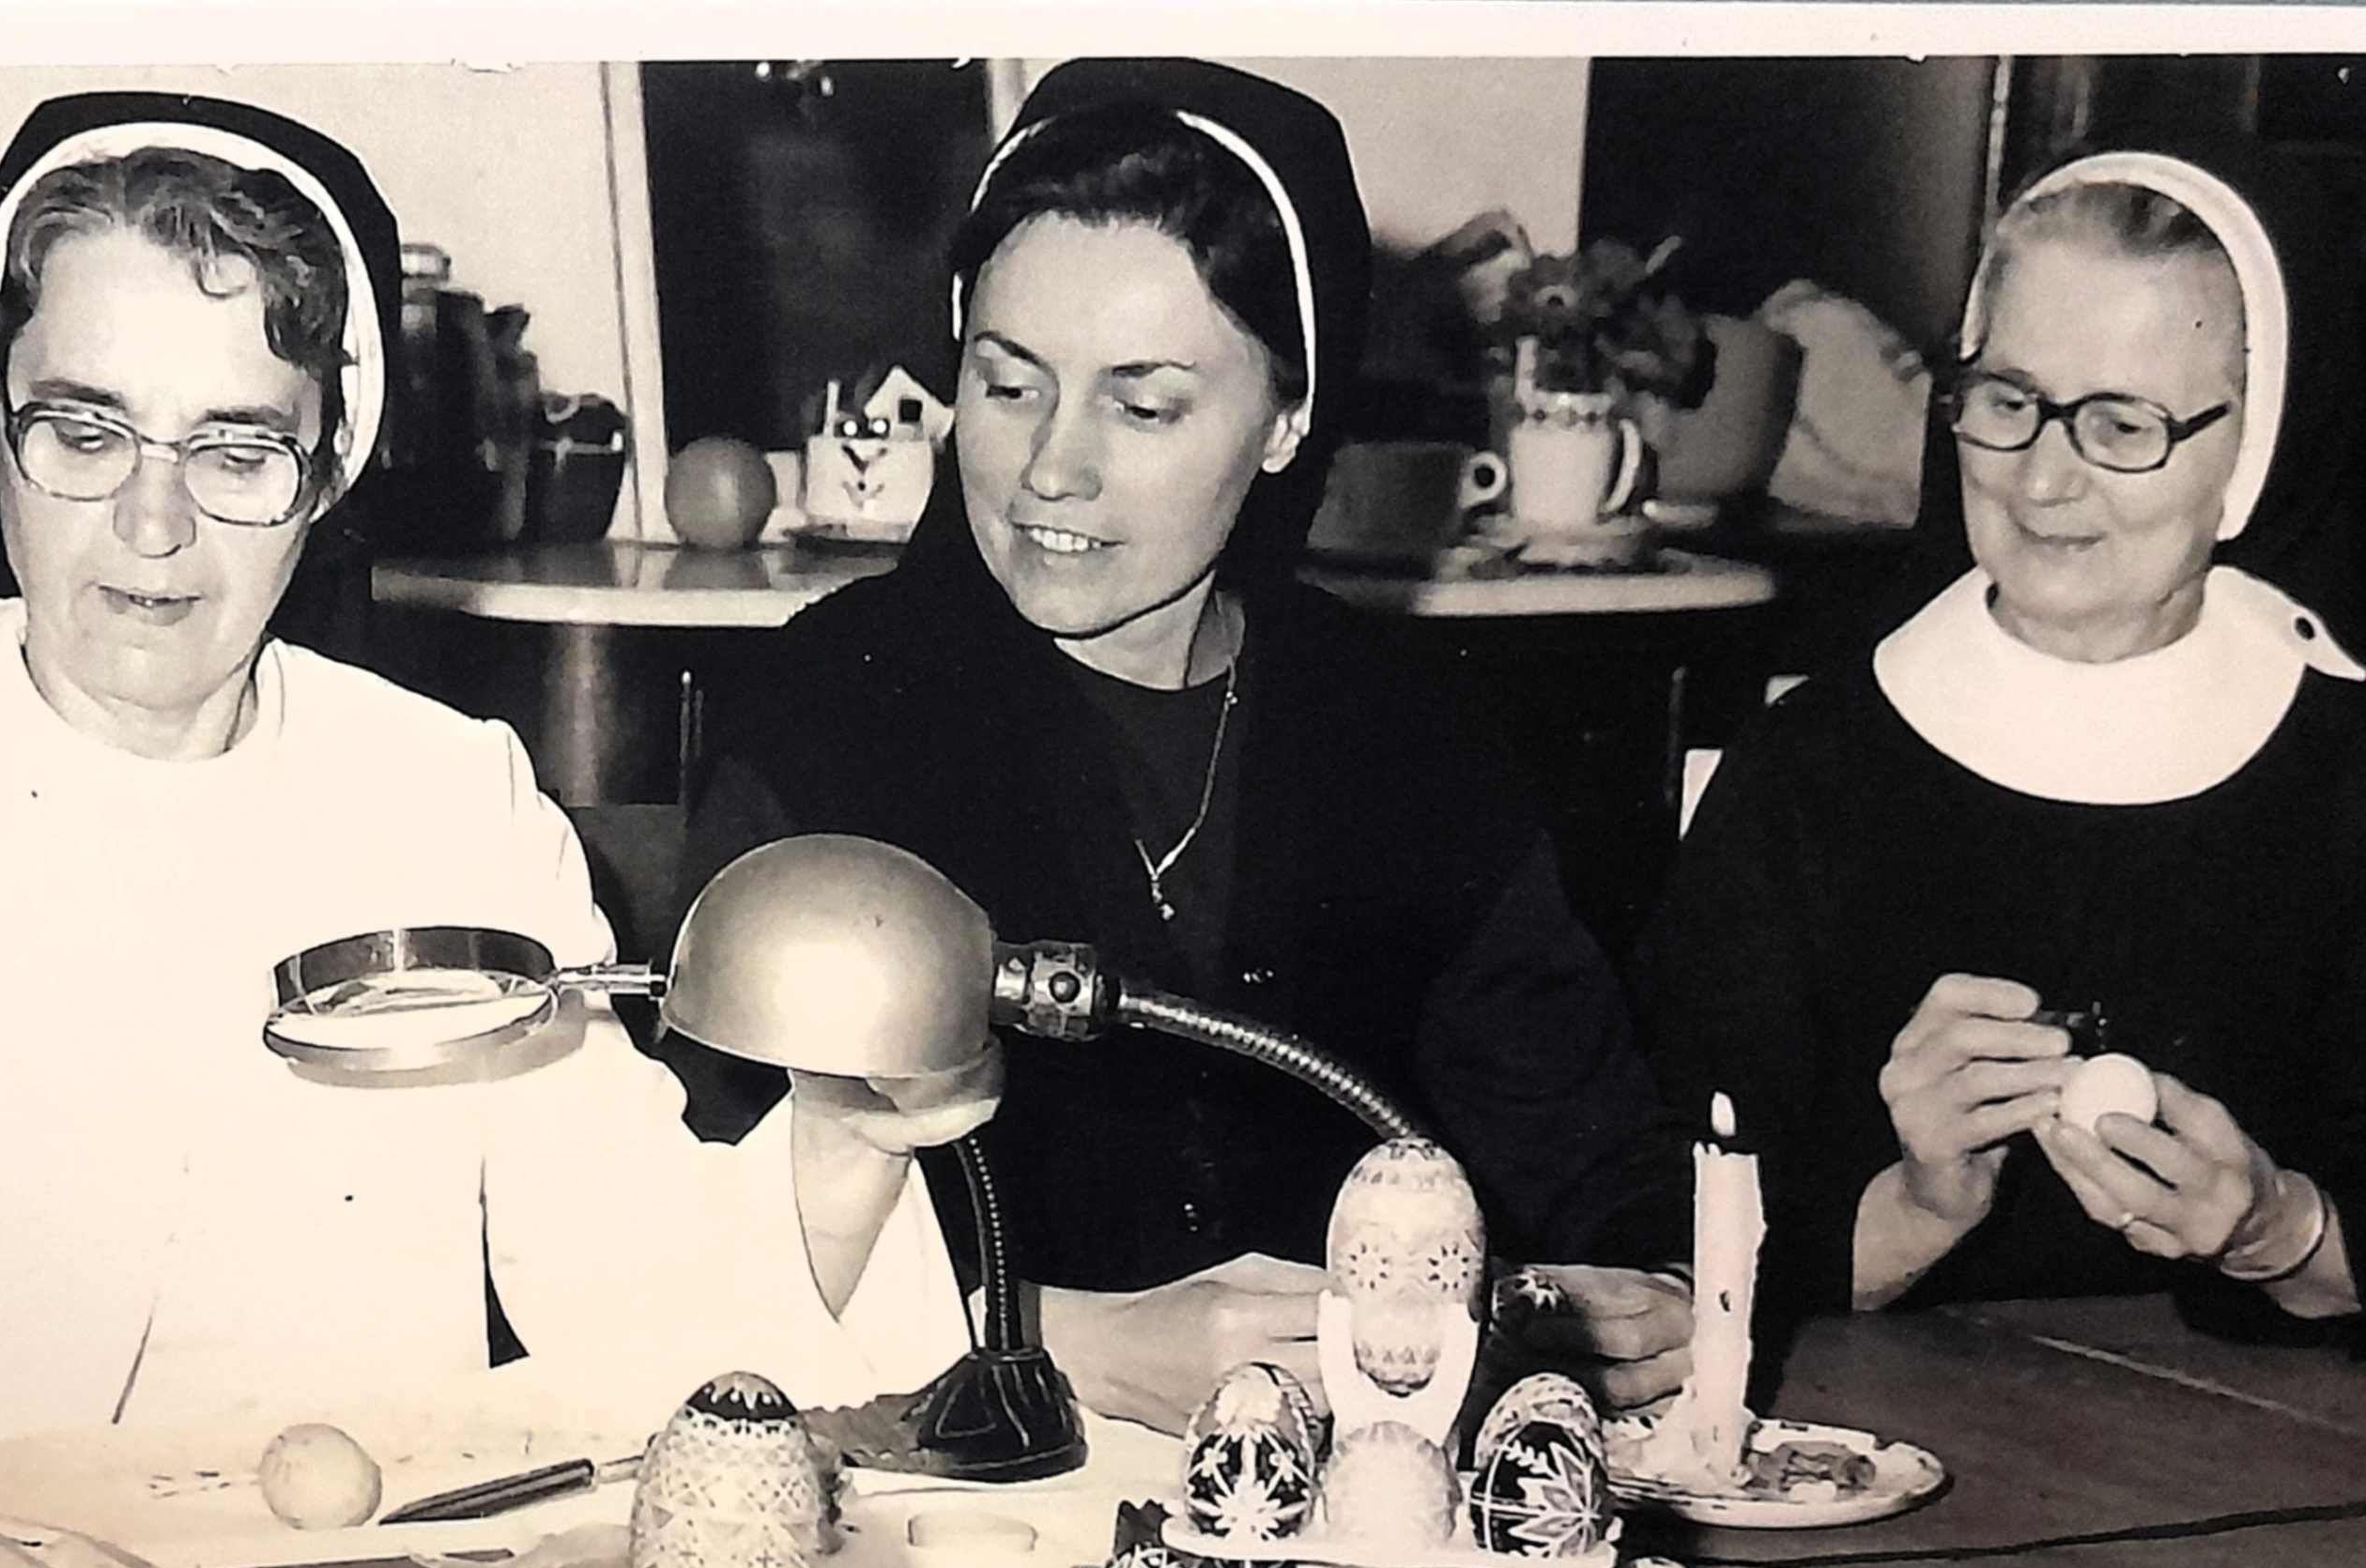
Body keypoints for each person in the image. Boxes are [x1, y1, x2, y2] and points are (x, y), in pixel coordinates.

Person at [0, 93, 991, 1483]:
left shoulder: (450, 805)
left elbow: (640, 1299)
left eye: (236, 450)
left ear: (325, 476)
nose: (153, 523)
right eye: (85, 431)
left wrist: (848, 1138)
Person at [674, 59, 1694, 1434]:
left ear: (1286, 420)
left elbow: (1590, 1152)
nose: (1051, 468)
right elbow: (700, 1256)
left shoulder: (1404, 728)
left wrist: (1646, 1287)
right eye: (1008, 385)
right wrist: (1048, 1338)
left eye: (1142, 405)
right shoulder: (827, 715)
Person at [1640, 144, 2362, 1327]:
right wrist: (1917, 1205)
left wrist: (2279, 1228)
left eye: (2121, 423)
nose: (2041, 481)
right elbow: (1665, 1258)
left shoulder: (2344, 774)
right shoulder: (1806, 765)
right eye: (2009, 401)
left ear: (2257, 443)